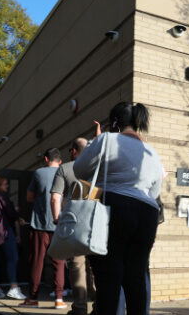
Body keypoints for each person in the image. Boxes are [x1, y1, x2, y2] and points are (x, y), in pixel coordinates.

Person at [74, 102, 163, 315]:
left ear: (114, 122)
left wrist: (96, 141)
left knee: (108, 276)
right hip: (148, 213)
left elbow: (79, 168)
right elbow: (155, 190)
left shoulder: (106, 139)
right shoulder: (151, 152)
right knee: (137, 276)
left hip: (115, 207)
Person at [50, 137, 93, 315]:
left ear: (74, 151)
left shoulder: (65, 168)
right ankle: (100, 307)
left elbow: (55, 197)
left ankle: (80, 308)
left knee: (77, 266)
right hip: (94, 224)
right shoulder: (96, 169)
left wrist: (56, 219)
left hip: (74, 223)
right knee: (95, 267)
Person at [20, 148, 66, 309]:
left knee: (37, 261)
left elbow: (29, 197)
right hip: (59, 224)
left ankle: (33, 298)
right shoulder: (65, 172)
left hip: (39, 224)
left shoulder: (38, 173)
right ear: (59, 161)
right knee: (59, 262)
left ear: (46, 159)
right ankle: (59, 298)